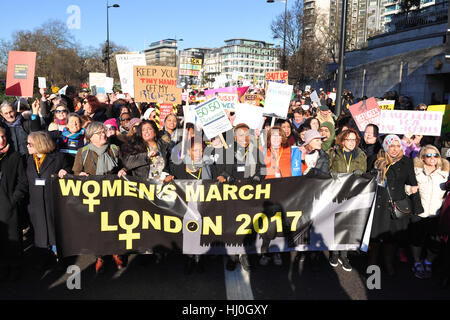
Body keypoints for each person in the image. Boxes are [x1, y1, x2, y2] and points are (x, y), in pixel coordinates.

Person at [72, 122, 127, 273]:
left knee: (115, 224)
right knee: (97, 227)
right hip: (93, 197)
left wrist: (122, 170)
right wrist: (80, 175)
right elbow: (76, 172)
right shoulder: (82, 152)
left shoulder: (114, 149)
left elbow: (124, 165)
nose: (104, 134)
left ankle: (116, 253)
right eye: (100, 133)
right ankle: (100, 256)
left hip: (113, 194)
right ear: (90, 137)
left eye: (104, 131)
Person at [368, 135, 423, 276]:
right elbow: (368, 180)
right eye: (392, 146)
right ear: (386, 146)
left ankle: (389, 262)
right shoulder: (376, 160)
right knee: (374, 236)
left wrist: (417, 207)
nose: (395, 149)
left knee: (392, 237)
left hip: (396, 204)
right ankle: (372, 263)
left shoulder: (406, 162)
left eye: (398, 146)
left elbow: (413, 182)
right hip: (378, 203)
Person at [216, 123, 265, 272]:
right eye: (241, 135)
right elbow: (221, 173)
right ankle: (232, 255)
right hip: (231, 194)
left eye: (247, 134)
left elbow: (262, 170)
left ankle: (244, 255)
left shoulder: (256, 152)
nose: (245, 137)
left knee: (247, 226)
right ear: (235, 137)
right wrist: (228, 178)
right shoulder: (227, 152)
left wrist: (255, 180)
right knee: (232, 225)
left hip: (249, 195)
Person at [165, 138, 216, 274]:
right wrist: (167, 177)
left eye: (201, 150)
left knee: (201, 233)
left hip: (203, 205)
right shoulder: (178, 166)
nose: (198, 153)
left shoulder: (209, 165)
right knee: (188, 233)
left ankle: (199, 259)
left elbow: (215, 181)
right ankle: (189, 259)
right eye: (195, 150)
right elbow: (165, 173)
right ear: (188, 150)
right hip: (185, 206)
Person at [26, 131, 71, 270]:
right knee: (40, 231)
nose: (27, 146)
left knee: (54, 231)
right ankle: (44, 258)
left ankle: (60, 258)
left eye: (30, 144)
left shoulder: (58, 158)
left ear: (39, 144)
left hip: (52, 201)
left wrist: (65, 172)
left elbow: (68, 171)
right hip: (36, 203)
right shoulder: (28, 159)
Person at [406, 146, 449, 279]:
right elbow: (404, 185)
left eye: (435, 155)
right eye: (428, 155)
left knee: (435, 241)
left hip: (436, 213)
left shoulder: (445, 172)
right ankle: (417, 262)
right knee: (416, 239)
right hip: (419, 212)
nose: (432, 158)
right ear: (422, 157)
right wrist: (409, 189)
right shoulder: (415, 171)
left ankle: (428, 262)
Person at [328, 128, 367, 272]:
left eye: (354, 140)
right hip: (336, 193)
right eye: (348, 139)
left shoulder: (361, 155)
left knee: (348, 225)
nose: (351, 142)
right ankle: (334, 253)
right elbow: (326, 168)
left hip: (352, 195)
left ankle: (344, 255)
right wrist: (330, 172)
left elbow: (364, 172)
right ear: (342, 140)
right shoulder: (333, 153)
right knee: (336, 224)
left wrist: (361, 173)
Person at [259, 126, 292, 267]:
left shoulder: (290, 152)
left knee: (280, 225)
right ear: (268, 139)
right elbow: (256, 171)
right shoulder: (261, 152)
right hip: (268, 193)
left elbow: (299, 171)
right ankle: (265, 251)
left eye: (279, 136)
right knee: (268, 225)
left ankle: (276, 252)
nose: (276, 139)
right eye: (273, 136)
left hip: (285, 193)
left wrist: (302, 159)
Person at [0, 127, 28, 281]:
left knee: (13, 238)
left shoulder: (15, 156)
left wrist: (14, 199)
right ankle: (3, 266)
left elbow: (22, 181)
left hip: (9, 206)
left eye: (3, 136)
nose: (1, 140)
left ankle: (15, 266)